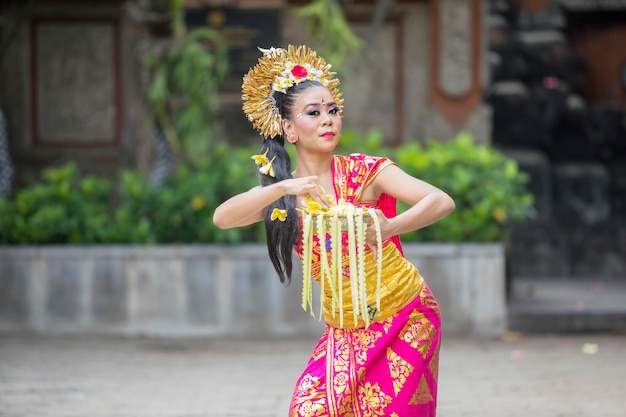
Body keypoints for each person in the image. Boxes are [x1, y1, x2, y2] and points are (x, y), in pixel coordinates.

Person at [213, 45, 455, 417]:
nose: (328, 119)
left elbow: (440, 201)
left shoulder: (366, 172)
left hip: (405, 315)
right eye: (314, 112)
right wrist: (279, 188)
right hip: (343, 327)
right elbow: (223, 218)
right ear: (289, 130)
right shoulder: (286, 194)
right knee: (307, 410)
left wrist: (389, 227)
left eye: (333, 110)